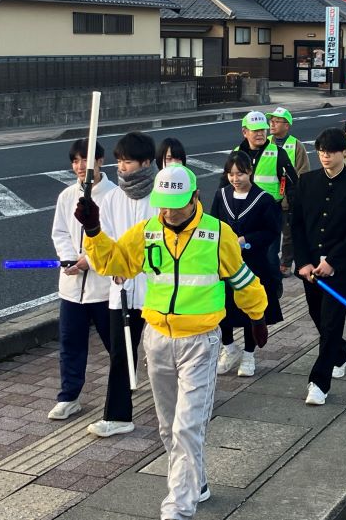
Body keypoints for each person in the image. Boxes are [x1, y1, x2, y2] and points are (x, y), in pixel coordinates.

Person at [76, 165, 268, 520]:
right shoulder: (147, 231)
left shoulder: (218, 234)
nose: (168, 212)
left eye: (177, 205)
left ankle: (178, 507)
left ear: (195, 197)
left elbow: (242, 278)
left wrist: (257, 316)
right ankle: (198, 483)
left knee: (187, 427)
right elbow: (114, 263)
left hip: (201, 342)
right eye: (163, 204)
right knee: (168, 427)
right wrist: (93, 230)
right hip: (158, 340)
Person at [291, 128, 346, 406]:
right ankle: (342, 352)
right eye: (322, 151)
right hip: (310, 268)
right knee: (318, 317)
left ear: (345, 152)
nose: (325, 156)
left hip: (339, 268)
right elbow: (297, 225)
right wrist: (303, 261)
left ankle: (319, 383)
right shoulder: (306, 181)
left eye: (331, 151)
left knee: (332, 321)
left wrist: (332, 261)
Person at [86, 132, 157, 438]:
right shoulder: (113, 198)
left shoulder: (162, 197)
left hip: (159, 289)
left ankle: (182, 406)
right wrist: (116, 269)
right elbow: (108, 241)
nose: (122, 167)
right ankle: (117, 416)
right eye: (120, 161)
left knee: (165, 354)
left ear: (147, 162)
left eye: (128, 162)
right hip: (123, 289)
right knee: (120, 353)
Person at [48, 139, 115, 421]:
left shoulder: (114, 196)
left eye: (85, 159)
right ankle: (69, 397)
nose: (79, 166)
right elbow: (60, 232)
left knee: (115, 344)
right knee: (70, 344)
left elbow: (118, 237)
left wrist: (90, 260)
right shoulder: (66, 196)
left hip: (104, 287)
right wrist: (68, 258)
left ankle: (124, 387)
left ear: (100, 161)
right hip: (72, 288)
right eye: (75, 161)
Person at [211, 151, 283, 377]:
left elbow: (272, 231)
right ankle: (229, 348)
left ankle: (249, 354)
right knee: (223, 308)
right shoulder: (222, 195)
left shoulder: (263, 199)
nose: (235, 179)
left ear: (250, 172)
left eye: (240, 174)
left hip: (253, 263)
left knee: (251, 310)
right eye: (231, 174)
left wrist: (247, 240)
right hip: (225, 263)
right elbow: (213, 224)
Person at [232, 111, 298, 296]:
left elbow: (293, 184)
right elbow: (225, 184)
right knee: (243, 254)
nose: (260, 133)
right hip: (242, 213)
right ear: (245, 132)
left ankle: (273, 291)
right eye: (255, 130)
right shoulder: (237, 154)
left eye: (263, 129)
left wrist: (292, 212)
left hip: (270, 213)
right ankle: (247, 292)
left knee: (270, 256)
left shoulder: (278, 153)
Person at [267, 106, 310, 278]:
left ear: (287, 125)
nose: (272, 124)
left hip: (288, 199)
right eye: (271, 121)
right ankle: (269, 262)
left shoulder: (296, 145)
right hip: (268, 198)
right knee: (269, 232)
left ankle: (285, 264)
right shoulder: (265, 142)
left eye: (277, 121)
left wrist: (297, 196)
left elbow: (303, 172)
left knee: (288, 234)